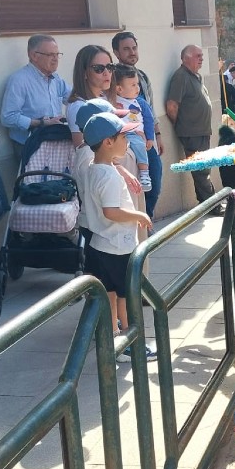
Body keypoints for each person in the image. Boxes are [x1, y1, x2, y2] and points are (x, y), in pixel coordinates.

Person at [79, 111, 155, 363]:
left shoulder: (94, 168)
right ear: (108, 142)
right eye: (124, 136)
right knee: (126, 298)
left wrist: (120, 170)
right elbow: (111, 211)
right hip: (119, 247)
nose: (129, 141)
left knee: (110, 296)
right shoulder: (110, 176)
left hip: (100, 244)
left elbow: (107, 166)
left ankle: (113, 342)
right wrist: (137, 216)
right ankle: (130, 343)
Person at [112, 31, 164, 217]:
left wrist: (156, 135)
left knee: (155, 181)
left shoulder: (142, 76)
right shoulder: (112, 78)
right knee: (134, 185)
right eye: (126, 49)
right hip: (125, 142)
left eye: (134, 48)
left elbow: (150, 109)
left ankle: (147, 218)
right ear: (116, 53)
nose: (132, 52)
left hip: (147, 138)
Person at [166, 45, 216, 207]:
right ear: (185, 58)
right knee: (201, 169)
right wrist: (181, 124)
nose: (201, 58)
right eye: (197, 56)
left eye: (202, 55)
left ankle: (208, 202)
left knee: (204, 167)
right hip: (192, 132)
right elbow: (172, 106)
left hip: (201, 131)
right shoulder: (181, 76)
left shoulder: (195, 76)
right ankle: (210, 204)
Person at [0, 34, 70, 146]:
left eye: (57, 54)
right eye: (51, 55)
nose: (56, 59)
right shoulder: (19, 80)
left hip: (56, 138)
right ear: (34, 56)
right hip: (31, 144)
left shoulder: (56, 78)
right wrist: (41, 123)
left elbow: (73, 98)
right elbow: (7, 117)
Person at [108, 64, 154, 191]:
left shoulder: (140, 102)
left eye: (137, 84)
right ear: (119, 89)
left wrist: (150, 137)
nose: (137, 88)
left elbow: (149, 120)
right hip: (119, 134)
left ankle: (144, 173)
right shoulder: (112, 101)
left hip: (135, 134)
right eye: (133, 85)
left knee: (139, 146)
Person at [65, 45, 115, 147]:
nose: (107, 73)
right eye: (99, 69)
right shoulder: (78, 106)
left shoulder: (103, 99)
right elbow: (81, 149)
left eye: (110, 67)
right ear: (84, 73)